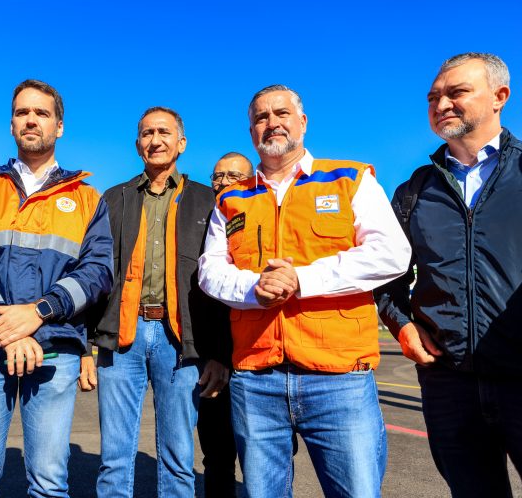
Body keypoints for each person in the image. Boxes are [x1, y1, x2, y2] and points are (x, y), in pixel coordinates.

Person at [198, 85, 411, 498]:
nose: (272, 123)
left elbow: (391, 253)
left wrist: (302, 280)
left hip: (338, 378)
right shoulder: (231, 200)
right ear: (251, 131)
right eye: (261, 117)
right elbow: (210, 270)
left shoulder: (351, 180)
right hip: (256, 378)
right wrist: (254, 288)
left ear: (302, 121)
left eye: (281, 113)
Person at [0, 79, 113, 498]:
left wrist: (38, 312)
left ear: (59, 126)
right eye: (22, 112)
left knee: (49, 483)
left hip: (55, 344)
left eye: (41, 113)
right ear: (12, 124)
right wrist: (6, 329)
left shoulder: (88, 199)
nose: (31, 120)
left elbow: (98, 270)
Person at [375, 53, 521, 497]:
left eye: (456, 93)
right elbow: (386, 277)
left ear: (499, 96)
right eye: (433, 97)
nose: (441, 105)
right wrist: (402, 325)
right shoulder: (415, 190)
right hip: (448, 383)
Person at [92, 106, 231, 498]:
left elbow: (222, 282)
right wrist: (88, 344)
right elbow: (97, 273)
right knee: (114, 458)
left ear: (181, 143)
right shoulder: (113, 198)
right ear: (138, 144)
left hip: (181, 340)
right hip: (122, 336)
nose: (155, 140)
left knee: (178, 457)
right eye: (147, 133)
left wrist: (219, 354)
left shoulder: (207, 200)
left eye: (164, 132)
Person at [196, 151, 253, 498]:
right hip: (213, 359)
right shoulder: (204, 221)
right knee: (217, 455)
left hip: (257, 359)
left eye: (233, 176)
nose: (223, 182)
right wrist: (216, 356)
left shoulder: (260, 218)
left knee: (266, 456)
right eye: (218, 176)